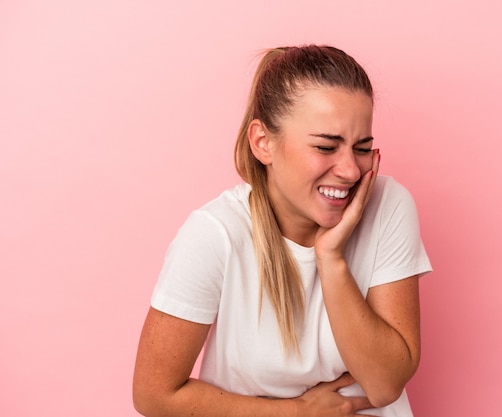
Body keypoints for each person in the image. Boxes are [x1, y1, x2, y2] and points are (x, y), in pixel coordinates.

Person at [133, 44, 432, 417]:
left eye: (362, 148)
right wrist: (297, 412)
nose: (352, 171)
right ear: (263, 143)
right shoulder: (215, 235)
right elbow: (154, 395)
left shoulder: (389, 205)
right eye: (326, 146)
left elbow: (385, 385)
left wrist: (331, 258)